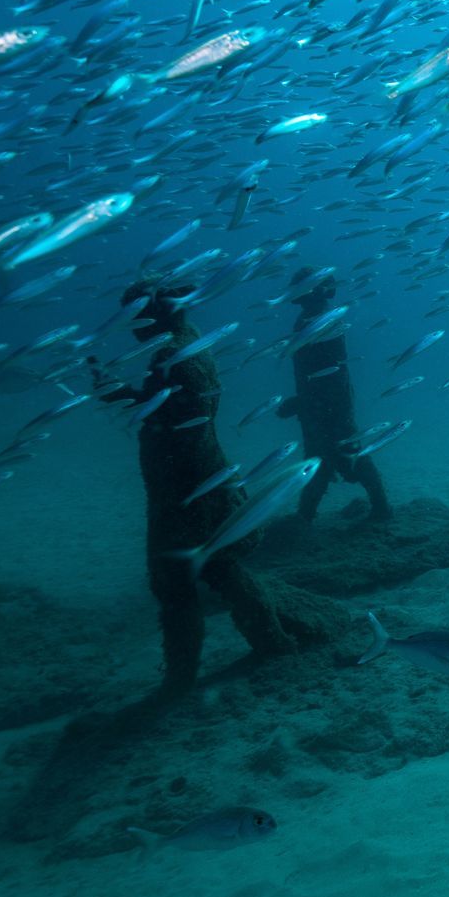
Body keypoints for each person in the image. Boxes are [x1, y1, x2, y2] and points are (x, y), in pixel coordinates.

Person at [94, 282, 302, 700]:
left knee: (175, 585)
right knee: (221, 569)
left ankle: (181, 677)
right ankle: (273, 643)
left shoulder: (173, 356)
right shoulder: (190, 344)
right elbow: (178, 411)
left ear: (154, 315)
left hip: (183, 488)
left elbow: (177, 423)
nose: (130, 328)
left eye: (135, 317)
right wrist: (127, 395)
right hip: (204, 477)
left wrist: (128, 402)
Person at [276, 268, 393, 525]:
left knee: (341, 454)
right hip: (324, 405)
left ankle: (379, 507)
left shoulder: (319, 321)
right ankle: (307, 515)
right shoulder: (316, 319)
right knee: (326, 456)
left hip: (328, 406)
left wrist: (302, 402)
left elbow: (328, 373)